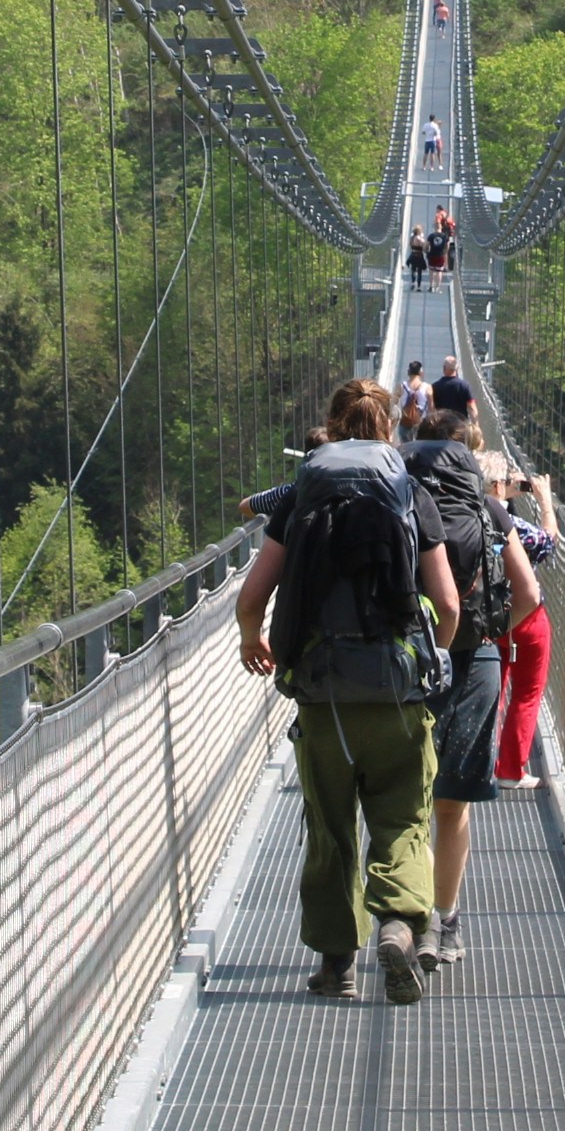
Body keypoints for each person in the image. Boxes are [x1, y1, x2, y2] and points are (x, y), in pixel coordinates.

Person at [232, 381, 458, 1003]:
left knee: (329, 828)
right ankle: (398, 926)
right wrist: (428, 658)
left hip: (321, 692)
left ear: (329, 427)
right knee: (404, 818)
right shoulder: (410, 492)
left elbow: (252, 597)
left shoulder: (303, 491)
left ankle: (337, 967)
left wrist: (254, 639)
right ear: (390, 428)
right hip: (396, 696)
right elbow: (446, 604)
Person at [401, 405, 538, 970]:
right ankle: (446, 922)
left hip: (407, 662)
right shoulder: (487, 508)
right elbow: (529, 594)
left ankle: (406, 919)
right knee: (452, 805)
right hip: (475, 662)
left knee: (405, 799)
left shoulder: (399, 502)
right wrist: (487, 633)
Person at [489, 448, 563, 793]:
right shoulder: (510, 524)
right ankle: (510, 769)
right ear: (496, 487)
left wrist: (509, 491)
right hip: (525, 617)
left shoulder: (467, 512)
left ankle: (476, 757)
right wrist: (546, 503)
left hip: (486, 617)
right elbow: (546, 541)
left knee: (492, 687)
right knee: (527, 693)